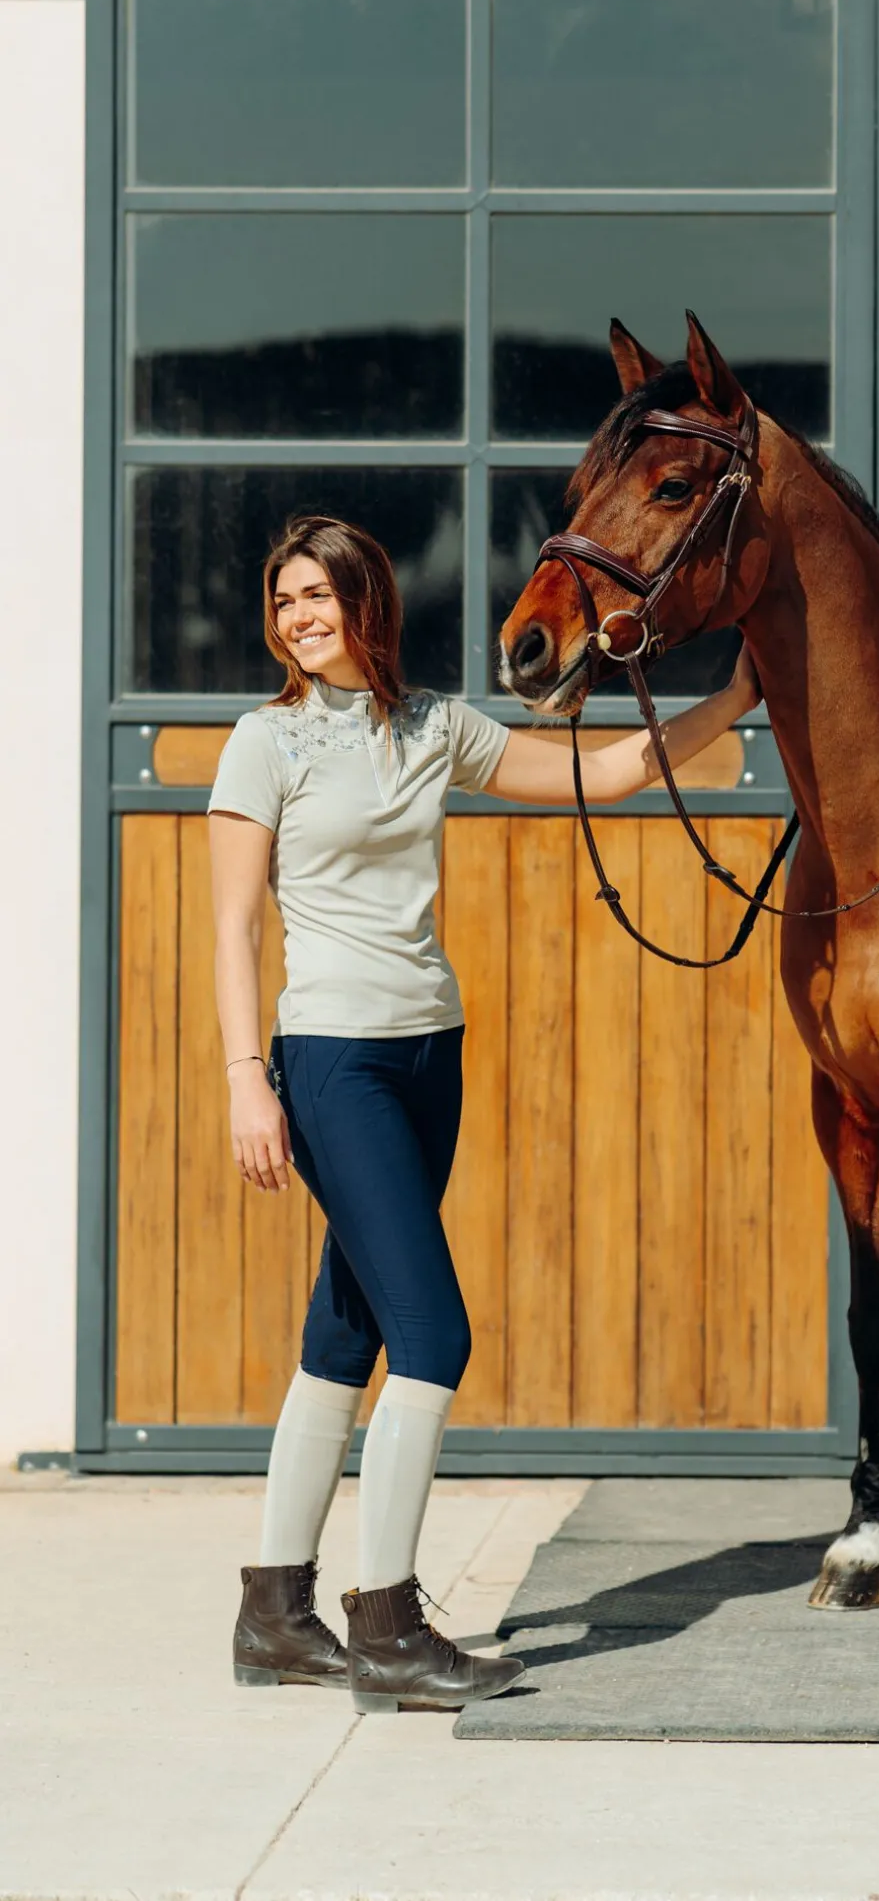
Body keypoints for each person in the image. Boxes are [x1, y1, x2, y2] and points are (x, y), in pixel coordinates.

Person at [211, 514, 758, 1712]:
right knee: (434, 1335)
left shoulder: (430, 727)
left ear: (370, 605)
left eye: (320, 595)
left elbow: (602, 774)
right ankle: (390, 1627)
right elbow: (234, 927)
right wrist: (248, 1076)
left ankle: (273, 1613)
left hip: (428, 1055)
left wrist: (737, 698)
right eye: (285, 598)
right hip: (331, 1059)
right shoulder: (267, 741)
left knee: (344, 1337)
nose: (301, 616)